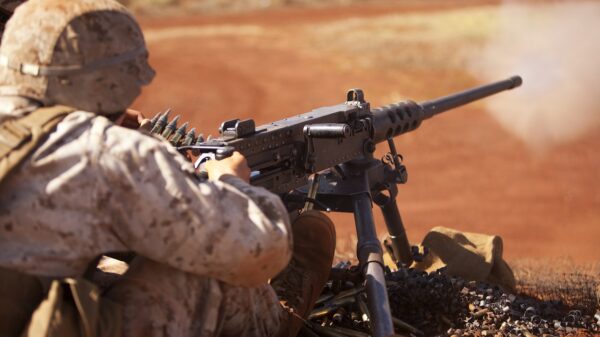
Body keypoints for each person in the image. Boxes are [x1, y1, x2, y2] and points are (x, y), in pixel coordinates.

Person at [0, 0, 336, 336]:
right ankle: (280, 321)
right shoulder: (107, 153)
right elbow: (264, 250)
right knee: (200, 268)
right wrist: (231, 183)